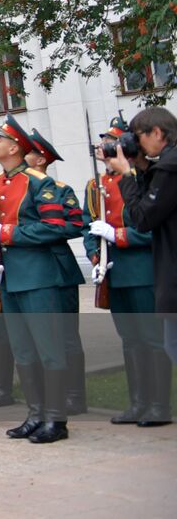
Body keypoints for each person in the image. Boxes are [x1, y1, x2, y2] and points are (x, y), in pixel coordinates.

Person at [0, 114, 77, 444]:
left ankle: (55, 419)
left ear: (14, 147)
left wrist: (9, 233)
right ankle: (35, 414)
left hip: (38, 276)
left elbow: (56, 227)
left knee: (49, 349)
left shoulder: (40, 183)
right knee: (22, 350)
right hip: (8, 277)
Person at [85, 114, 167, 426]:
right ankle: (138, 403)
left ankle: (158, 405)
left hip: (143, 270)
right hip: (114, 273)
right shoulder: (96, 185)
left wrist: (118, 236)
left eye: (110, 142)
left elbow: (152, 229)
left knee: (152, 339)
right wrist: (95, 256)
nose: (102, 148)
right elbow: (87, 225)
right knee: (130, 340)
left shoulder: (141, 180)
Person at [108, 105, 176, 420]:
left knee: (165, 344)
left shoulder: (169, 167)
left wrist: (126, 175)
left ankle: (158, 406)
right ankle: (142, 404)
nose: (136, 144)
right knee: (137, 340)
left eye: (138, 137)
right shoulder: (164, 167)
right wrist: (138, 166)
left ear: (158, 133)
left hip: (164, 275)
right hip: (133, 274)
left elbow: (143, 218)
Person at [25, 128, 89, 415]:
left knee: (66, 336)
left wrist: (43, 231)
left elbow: (76, 225)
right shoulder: (18, 188)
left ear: (40, 159)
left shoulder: (59, 189)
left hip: (59, 269)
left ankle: (75, 395)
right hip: (35, 270)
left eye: (27, 151)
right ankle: (48, 397)